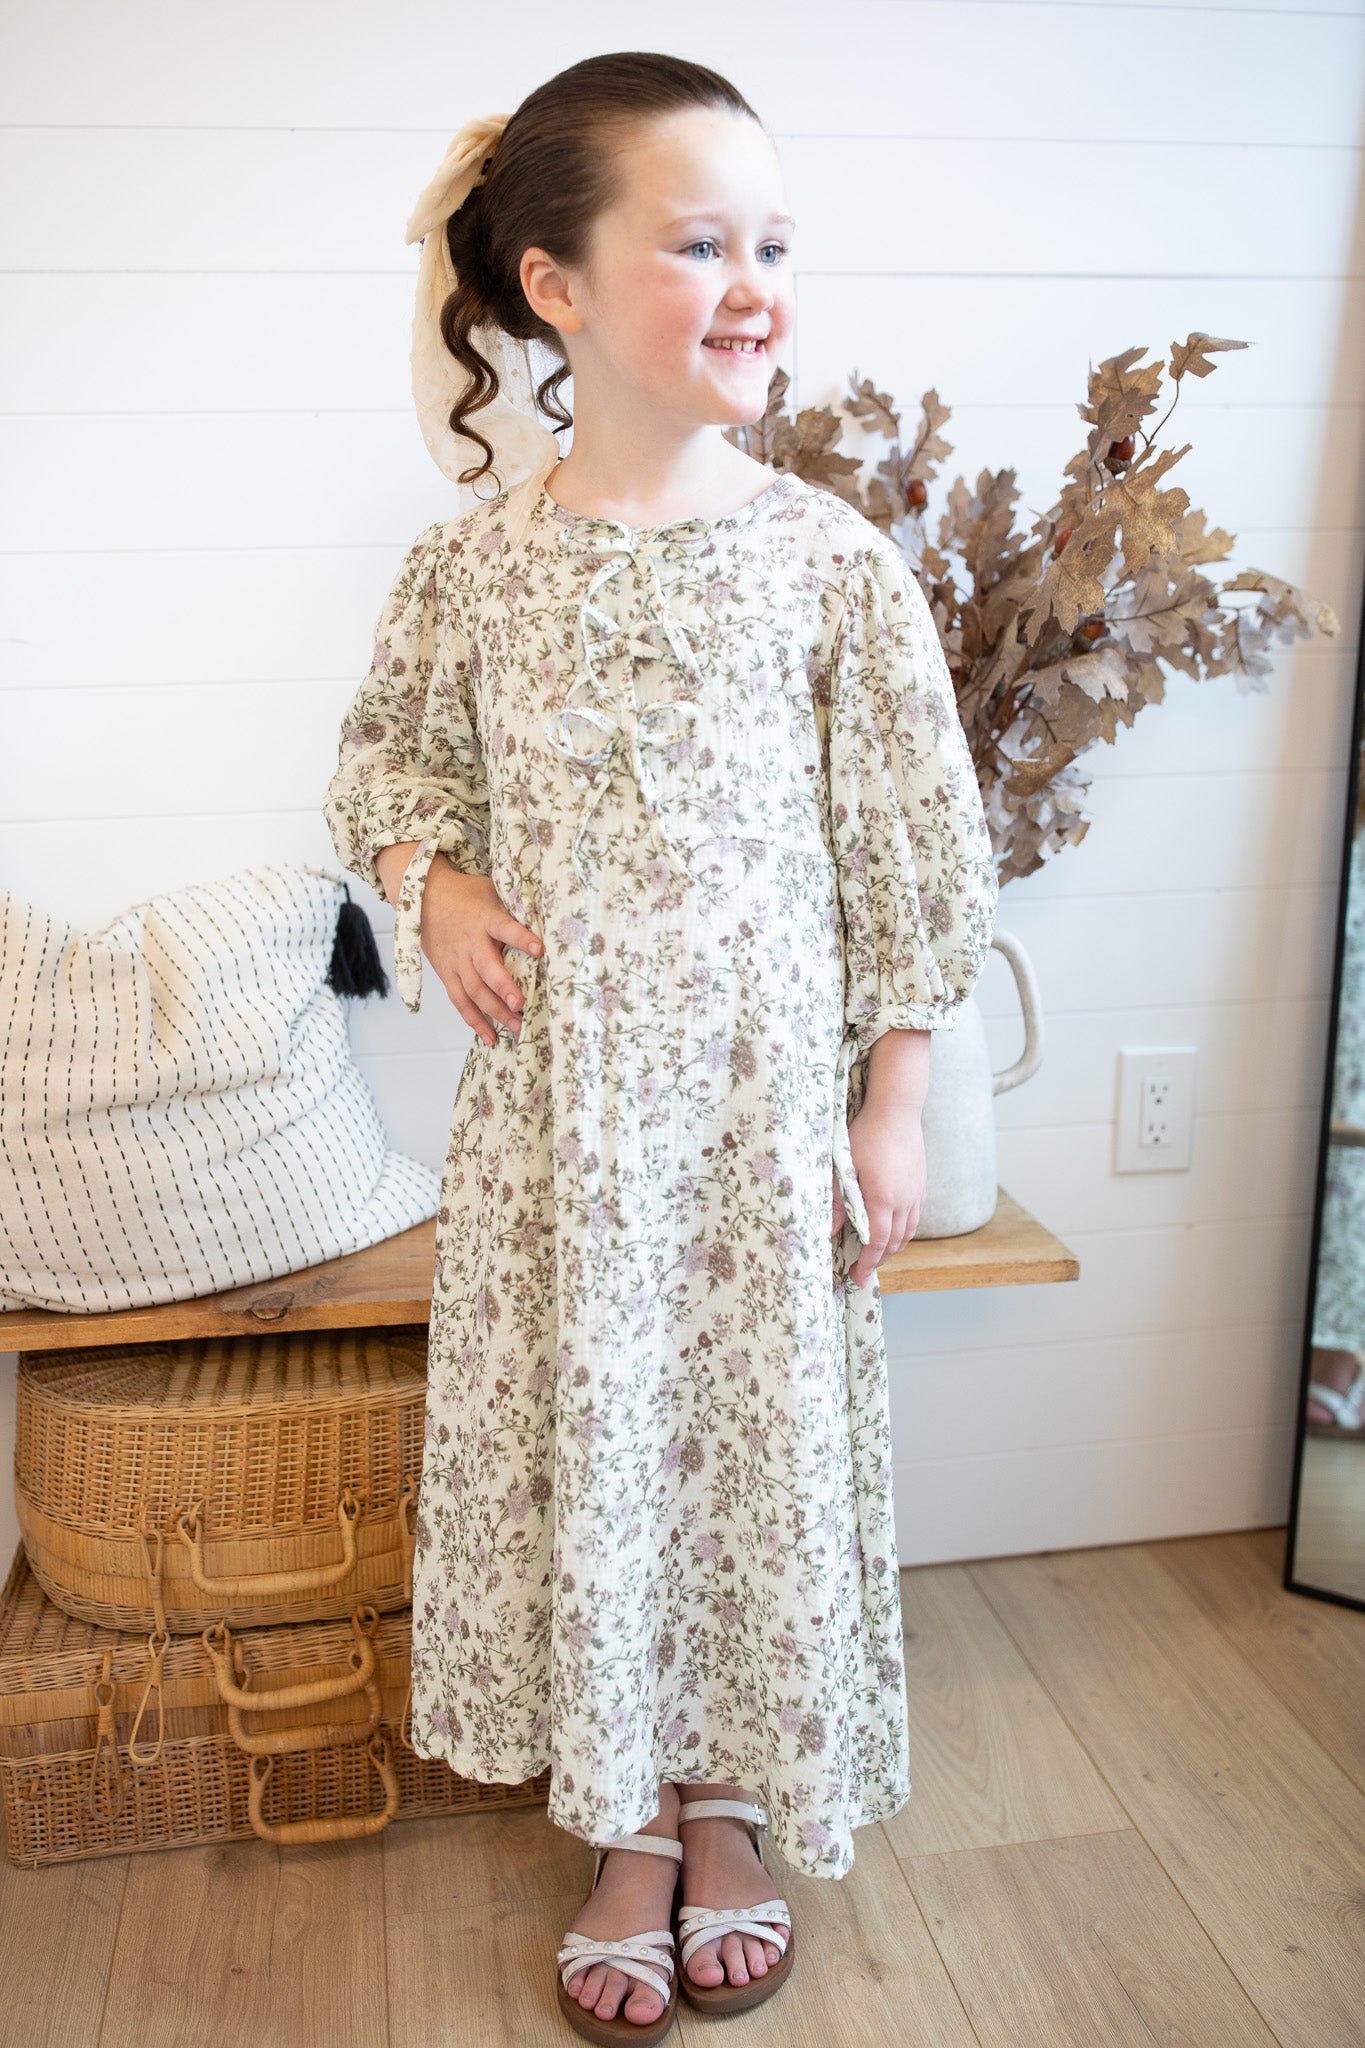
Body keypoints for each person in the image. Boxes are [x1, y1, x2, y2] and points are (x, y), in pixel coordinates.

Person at [323, 50, 999, 2043]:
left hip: (758, 1135)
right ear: (554, 287)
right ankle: (622, 1820)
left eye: (772, 244)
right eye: (699, 244)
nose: (753, 285)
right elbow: (382, 767)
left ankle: (728, 1804)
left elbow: (912, 854)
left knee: (740, 1470)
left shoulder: (829, 565)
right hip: (559, 1144)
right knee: (597, 1463)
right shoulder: (471, 566)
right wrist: (436, 882)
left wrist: (891, 1107)